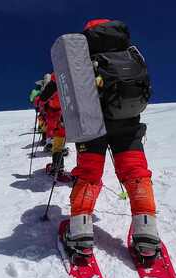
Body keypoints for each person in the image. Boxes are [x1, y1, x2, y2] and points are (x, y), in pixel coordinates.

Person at [61, 19, 160, 260]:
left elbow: (69, 89)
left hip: (92, 125)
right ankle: (146, 234)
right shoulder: (130, 52)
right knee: (135, 172)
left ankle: (81, 234)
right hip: (128, 121)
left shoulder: (83, 54)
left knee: (89, 173)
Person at [36, 73, 72, 182]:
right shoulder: (72, 73)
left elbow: (40, 101)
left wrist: (40, 103)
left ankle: (57, 169)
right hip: (66, 115)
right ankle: (59, 170)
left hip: (54, 117)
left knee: (58, 143)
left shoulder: (55, 79)